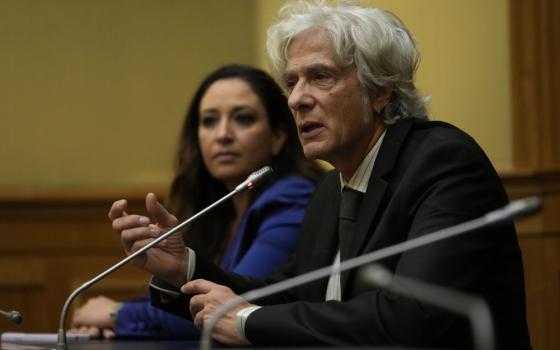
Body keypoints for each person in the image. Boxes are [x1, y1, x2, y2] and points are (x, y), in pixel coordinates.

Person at [114, 2, 532, 349]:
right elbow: (286, 295)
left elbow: (412, 317)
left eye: (320, 77)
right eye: (291, 81)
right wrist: (181, 268)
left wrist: (247, 323)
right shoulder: (332, 188)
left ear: (380, 89)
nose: (297, 99)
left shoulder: (442, 163)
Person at [69, 64, 324, 339]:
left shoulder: (292, 196)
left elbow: (227, 306)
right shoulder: (220, 206)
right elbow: (194, 296)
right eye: (210, 121)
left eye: (243, 118)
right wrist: (115, 316)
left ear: (278, 137)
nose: (223, 134)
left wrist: (117, 314)